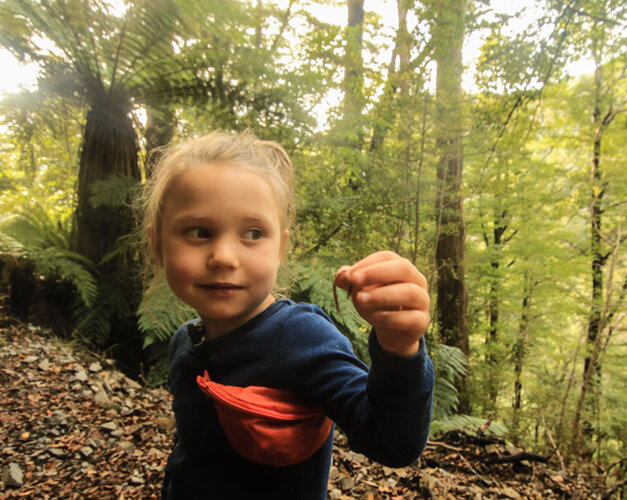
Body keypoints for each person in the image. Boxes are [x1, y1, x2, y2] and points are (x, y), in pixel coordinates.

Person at [141, 130, 434, 499]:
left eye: (252, 232)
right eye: (199, 232)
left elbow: (391, 443)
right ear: (157, 244)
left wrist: (400, 349)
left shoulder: (300, 337)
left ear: (281, 246)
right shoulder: (186, 339)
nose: (224, 257)